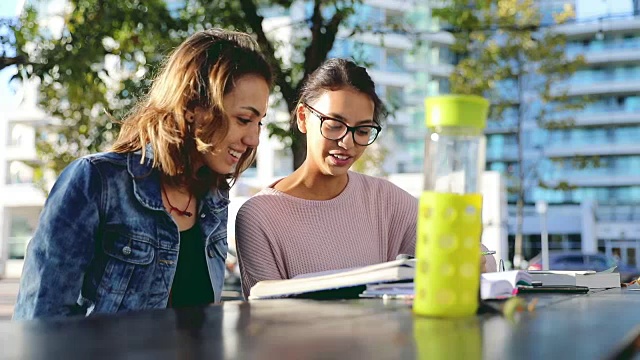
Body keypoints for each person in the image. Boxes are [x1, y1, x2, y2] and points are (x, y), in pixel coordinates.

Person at [13, 29, 272, 320]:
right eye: (244, 119)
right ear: (192, 106)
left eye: (259, 123)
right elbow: (40, 322)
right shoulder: (96, 182)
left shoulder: (214, 200)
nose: (253, 139)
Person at [235, 58, 496, 298]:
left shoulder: (384, 199)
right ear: (303, 118)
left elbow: (478, 254)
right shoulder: (259, 216)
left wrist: (474, 257)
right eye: (334, 124)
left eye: (362, 130)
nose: (347, 142)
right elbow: (266, 319)